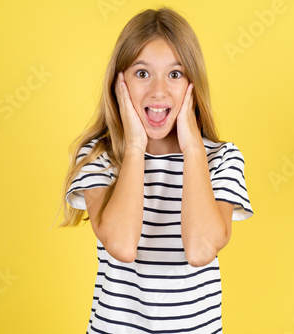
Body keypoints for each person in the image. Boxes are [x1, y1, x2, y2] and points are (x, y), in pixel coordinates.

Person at [60, 6, 253, 333]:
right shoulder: (99, 158)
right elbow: (121, 245)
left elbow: (200, 249)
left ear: (193, 82)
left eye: (175, 74)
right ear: (119, 83)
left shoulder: (223, 159)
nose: (159, 91)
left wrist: (193, 148)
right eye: (142, 73)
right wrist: (134, 145)